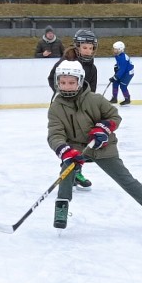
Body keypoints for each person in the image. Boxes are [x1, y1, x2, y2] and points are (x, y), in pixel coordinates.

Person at [48, 58, 142, 230]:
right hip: (77, 148)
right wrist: (65, 151)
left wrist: (102, 129)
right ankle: (61, 208)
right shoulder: (56, 107)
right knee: (66, 171)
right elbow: (55, 134)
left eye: (71, 82)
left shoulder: (95, 100)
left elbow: (114, 116)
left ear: (79, 82)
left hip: (103, 147)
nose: (67, 86)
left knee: (126, 180)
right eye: (62, 82)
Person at [47, 29, 99, 190]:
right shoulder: (65, 63)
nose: (88, 51)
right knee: (67, 141)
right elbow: (52, 79)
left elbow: (92, 90)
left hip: (81, 110)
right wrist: (65, 94)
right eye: (85, 47)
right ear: (77, 47)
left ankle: (76, 171)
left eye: (91, 48)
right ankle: (70, 173)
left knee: (79, 141)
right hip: (63, 108)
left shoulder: (92, 68)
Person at [109, 40, 135, 105]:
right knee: (115, 82)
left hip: (128, 73)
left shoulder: (123, 58)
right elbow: (119, 64)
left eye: (115, 49)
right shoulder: (117, 55)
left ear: (120, 49)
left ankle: (127, 99)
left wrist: (116, 76)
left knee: (123, 85)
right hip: (123, 71)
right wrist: (116, 66)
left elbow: (122, 70)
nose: (114, 50)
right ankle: (114, 98)